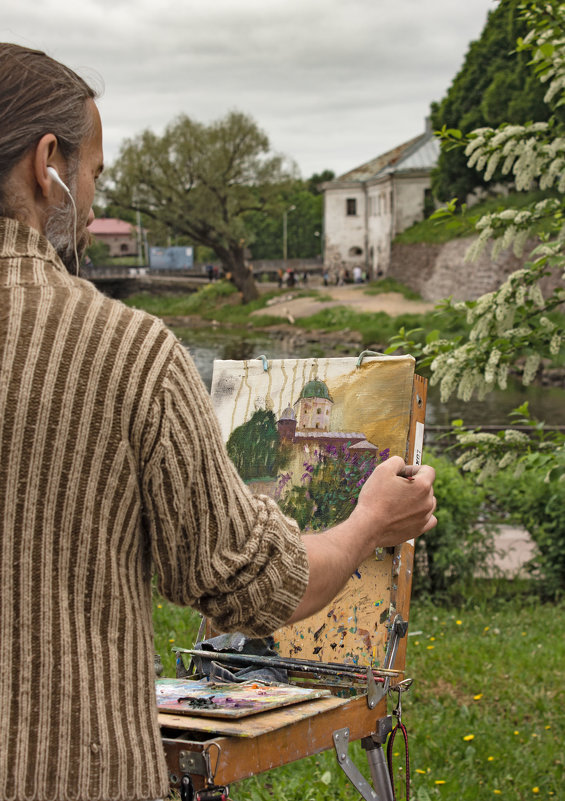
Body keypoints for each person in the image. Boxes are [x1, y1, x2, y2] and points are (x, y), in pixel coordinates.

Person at [0, 44, 437, 801]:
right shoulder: (122, 350)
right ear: (48, 165)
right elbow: (251, 586)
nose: (95, 205)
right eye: (94, 175)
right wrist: (369, 521)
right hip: (66, 770)